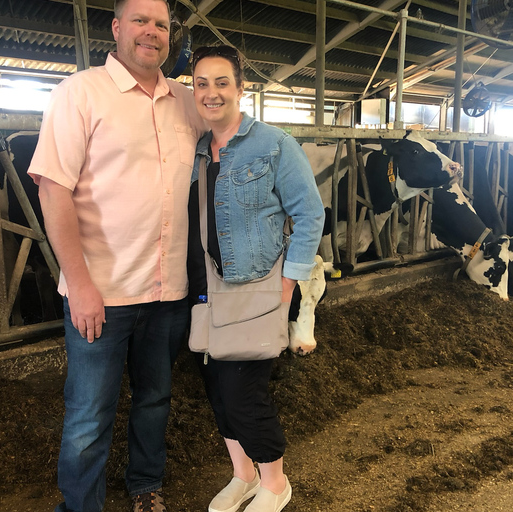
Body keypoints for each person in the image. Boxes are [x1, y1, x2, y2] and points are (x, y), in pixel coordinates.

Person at [27, 0, 205, 511]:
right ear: (116, 28)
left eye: (162, 25)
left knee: (155, 400)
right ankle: (82, 506)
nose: (152, 32)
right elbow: (53, 190)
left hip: (167, 290)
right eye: (141, 21)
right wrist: (79, 285)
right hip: (100, 292)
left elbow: (231, 135)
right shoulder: (79, 93)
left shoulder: (186, 102)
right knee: (88, 414)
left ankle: (145, 487)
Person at [186, 46, 325, 512]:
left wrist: (289, 282)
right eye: (202, 83)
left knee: (245, 395)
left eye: (222, 82)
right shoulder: (200, 152)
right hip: (208, 288)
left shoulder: (274, 144)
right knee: (218, 394)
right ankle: (243, 476)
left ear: (241, 88)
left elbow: (310, 214)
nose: (211, 93)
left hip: (257, 286)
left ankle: (274, 483)